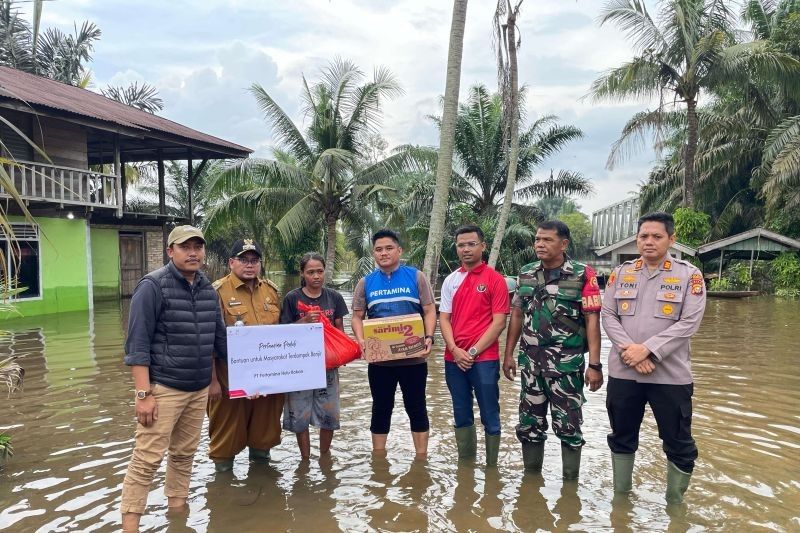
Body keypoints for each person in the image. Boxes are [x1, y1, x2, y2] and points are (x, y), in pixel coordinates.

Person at [120, 225, 227, 532]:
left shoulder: (209, 290)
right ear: (171, 251)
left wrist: (261, 370)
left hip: (198, 390)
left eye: (198, 246)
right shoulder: (152, 286)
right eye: (185, 247)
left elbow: (219, 343)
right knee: (146, 460)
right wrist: (143, 394)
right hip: (163, 388)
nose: (193, 252)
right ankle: (130, 526)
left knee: (183, 455)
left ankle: (177, 515)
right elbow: (136, 344)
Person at [601, 211, 707, 505]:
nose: (649, 242)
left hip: (670, 376)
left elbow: (690, 323)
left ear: (671, 239)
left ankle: (675, 506)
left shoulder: (689, 275)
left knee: (678, 442)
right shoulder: (621, 273)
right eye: (643, 236)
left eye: (656, 236)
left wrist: (647, 350)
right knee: (621, 437)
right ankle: (620, 504)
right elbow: (608, 315)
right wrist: (630, 352)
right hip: (624, 374)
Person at [503, 220, 603, 480]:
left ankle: (570, 490)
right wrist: (508, 354)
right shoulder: (525, 273)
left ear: (564, 244)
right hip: (531, 366)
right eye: (537, 239)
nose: (539, 244)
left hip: (566, 368)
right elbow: (516, 315)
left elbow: (592, 319)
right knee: (529, 425)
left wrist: (595, 365)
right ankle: (531, 484)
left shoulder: (583, 274)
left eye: (547, 240)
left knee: (569, 427)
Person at [351, 229, 437, 455]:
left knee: (416, 407)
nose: (384, 253)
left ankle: (421, 458)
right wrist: (361, 340)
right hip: (380, 362)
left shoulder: (416, 277)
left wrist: (429, 337)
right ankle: (379, 459)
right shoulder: (365, 283)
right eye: (378, 249)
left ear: (399, 250)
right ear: (374, 254)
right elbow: (357, 317)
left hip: (414, 359)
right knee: (380, 408)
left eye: (389, 248)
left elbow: (429, 311)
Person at [207, 238, 284, 472]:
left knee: (265, 435)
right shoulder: (216, 292)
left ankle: (262, 485)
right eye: (243, 260)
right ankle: (224, 489)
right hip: (229, 381)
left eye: (254, 260)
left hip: (267, 381)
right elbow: (207, 339)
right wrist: (211, 382)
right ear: (231, 262)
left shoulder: (271, 291)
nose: (249, 265)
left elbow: (283, 336)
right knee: (225, 438)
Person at [439, 224, 509, 466]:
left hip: (484, 359)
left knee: (490, 412)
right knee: (461, 412)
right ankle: (465, 469)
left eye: (471, 244)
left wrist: (471, 351)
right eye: (461, 245)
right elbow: (444, 319)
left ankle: (492, 468)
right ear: (456, 249)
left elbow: (499, 322)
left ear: (483, 246)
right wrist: (455, 350)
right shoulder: (451, 280)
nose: (466, 249)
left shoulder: (495, 280)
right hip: (453, 359)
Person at [280, 253, 349, 459]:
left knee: (329, 415)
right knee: (300, 415)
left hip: (327, 365)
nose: (316, 276)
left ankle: (324, 458)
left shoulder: (333, 297)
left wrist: (342, 355)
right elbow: (282, 332)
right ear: (302, 273)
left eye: (320, 271)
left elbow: (340, 331)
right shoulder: (292, 298)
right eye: (310, 272)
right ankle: (305, 460)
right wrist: (304, 322)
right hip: (300, 366)